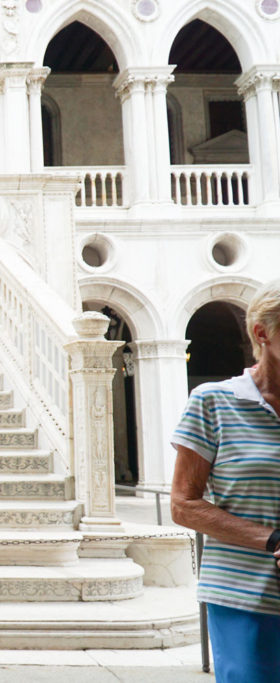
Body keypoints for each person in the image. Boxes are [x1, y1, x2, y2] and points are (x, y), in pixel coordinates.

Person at [171, 279, 280, 683]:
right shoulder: (212, 402)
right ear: (261, 333)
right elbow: (184, 505)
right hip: (242, 593)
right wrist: (273, 540)